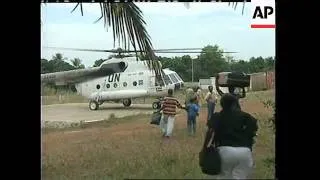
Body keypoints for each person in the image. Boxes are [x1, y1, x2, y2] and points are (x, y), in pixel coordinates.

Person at [204, 93, 258, 179]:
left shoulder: (218, 116)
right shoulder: (245, 116)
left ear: (221, 104)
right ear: (235, 103)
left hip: (224, 152)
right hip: (244, 152)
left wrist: (205, 149)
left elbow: (210, 132)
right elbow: (253, 129)